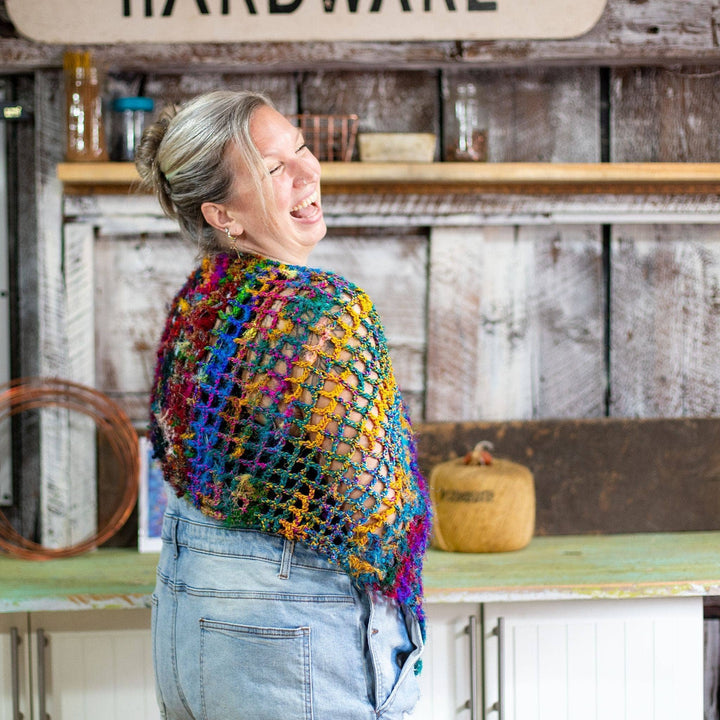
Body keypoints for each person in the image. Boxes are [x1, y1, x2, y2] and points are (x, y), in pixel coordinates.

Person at [135, 90, 431, 720]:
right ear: (223, 214)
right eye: (274, 169)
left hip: (187, 623)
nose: (307, 172)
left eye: (300, 148)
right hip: (291, 638)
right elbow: (374, 511)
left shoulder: (195, 307)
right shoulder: (325, 310)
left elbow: (179, 462)